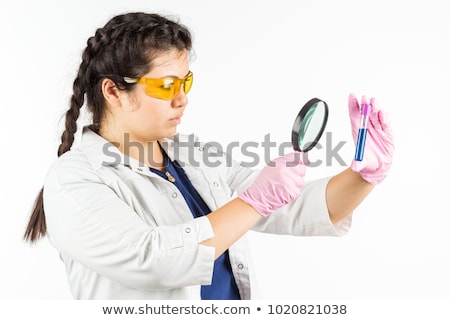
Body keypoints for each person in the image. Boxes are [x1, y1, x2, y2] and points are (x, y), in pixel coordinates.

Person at [23, 12, 394, 300]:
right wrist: (253, 202)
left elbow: (298, 209)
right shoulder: (74, 180)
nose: (182, 98)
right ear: (114, 92)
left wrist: (364, 175)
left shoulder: (194, 155)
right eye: (166, 85)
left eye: (185, 82)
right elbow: (153, 260)